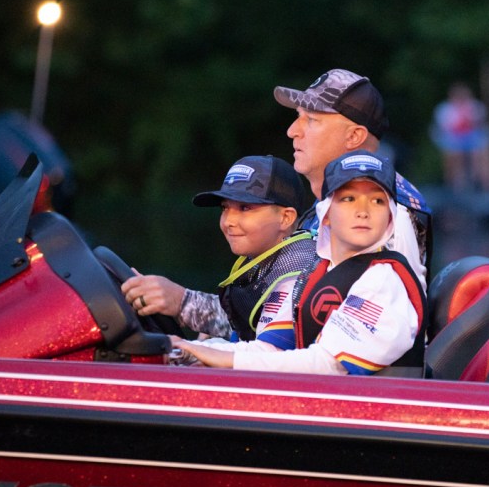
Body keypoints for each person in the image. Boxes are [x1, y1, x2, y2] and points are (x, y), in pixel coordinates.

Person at [171, 149, 425, 376]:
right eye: (348, 199)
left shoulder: (382, 281)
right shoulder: (321, 271)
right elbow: (272, 353)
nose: (363, 211)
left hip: (367, 414)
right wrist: (185, 350)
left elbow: (327, 365)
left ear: (390, 218)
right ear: (326, 214)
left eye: (378, 201)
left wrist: (222, 358)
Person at [120, 154, 316, 349]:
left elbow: (265, 354)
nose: (228, 221)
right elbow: (246, 332)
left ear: (285, 218)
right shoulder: (262, 262)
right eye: (225, 208)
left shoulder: (296, 270)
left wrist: (188, 344)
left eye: (245, 208)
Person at [275, 68, 432, 291]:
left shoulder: (385, 213)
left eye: (310, 119)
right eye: (297, 117)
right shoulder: (334, 197)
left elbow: (380, 306)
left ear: (354, 136)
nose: (292, 131)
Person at [429, 81, 489, 191]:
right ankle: (456, 183)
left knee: (479, 152)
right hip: (453, 139)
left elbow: (479, 126)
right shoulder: (444, 109)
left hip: (472, 138)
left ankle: (483, 181)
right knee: (455, 153)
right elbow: (445, 129)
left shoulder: (475, 106)